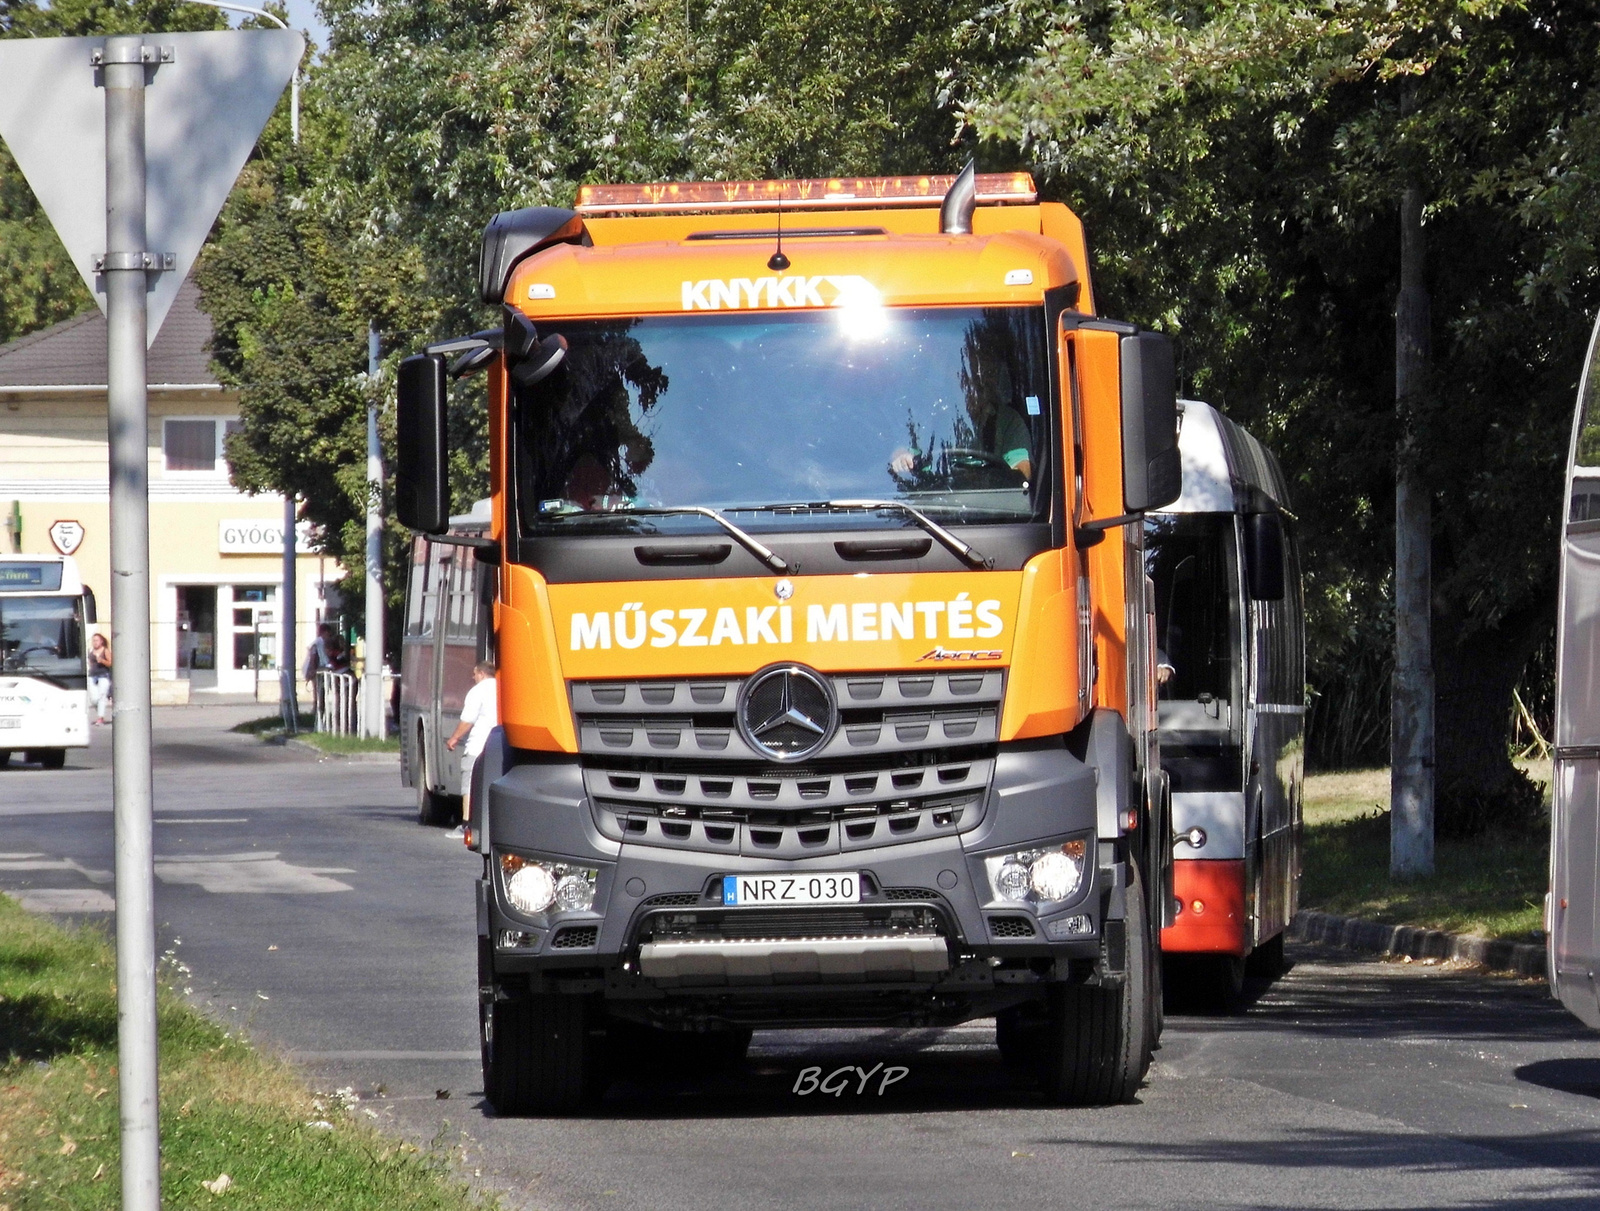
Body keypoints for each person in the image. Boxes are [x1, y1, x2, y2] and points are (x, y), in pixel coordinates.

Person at [447, 660, 498, 817]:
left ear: (482, 674)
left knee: (468, 785)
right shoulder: (504, 687)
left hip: (477, 746)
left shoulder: (477, 691)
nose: (473, 677)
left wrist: (454, 738)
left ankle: (467, 823)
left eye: (475, 673)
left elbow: (468, 720)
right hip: (498, 745)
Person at [87, 633, 113, 724]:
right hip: (92, 675)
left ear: (101, 641)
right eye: (93, 640)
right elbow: (90, 662)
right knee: (93, 698)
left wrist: (102, 660)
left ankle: (100, 717)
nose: (95, 642)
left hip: (103, 675)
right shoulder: (90, 650)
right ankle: (100, 713)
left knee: (102, 696)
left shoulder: (105, 650)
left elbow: (110, 663)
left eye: (97, 640)